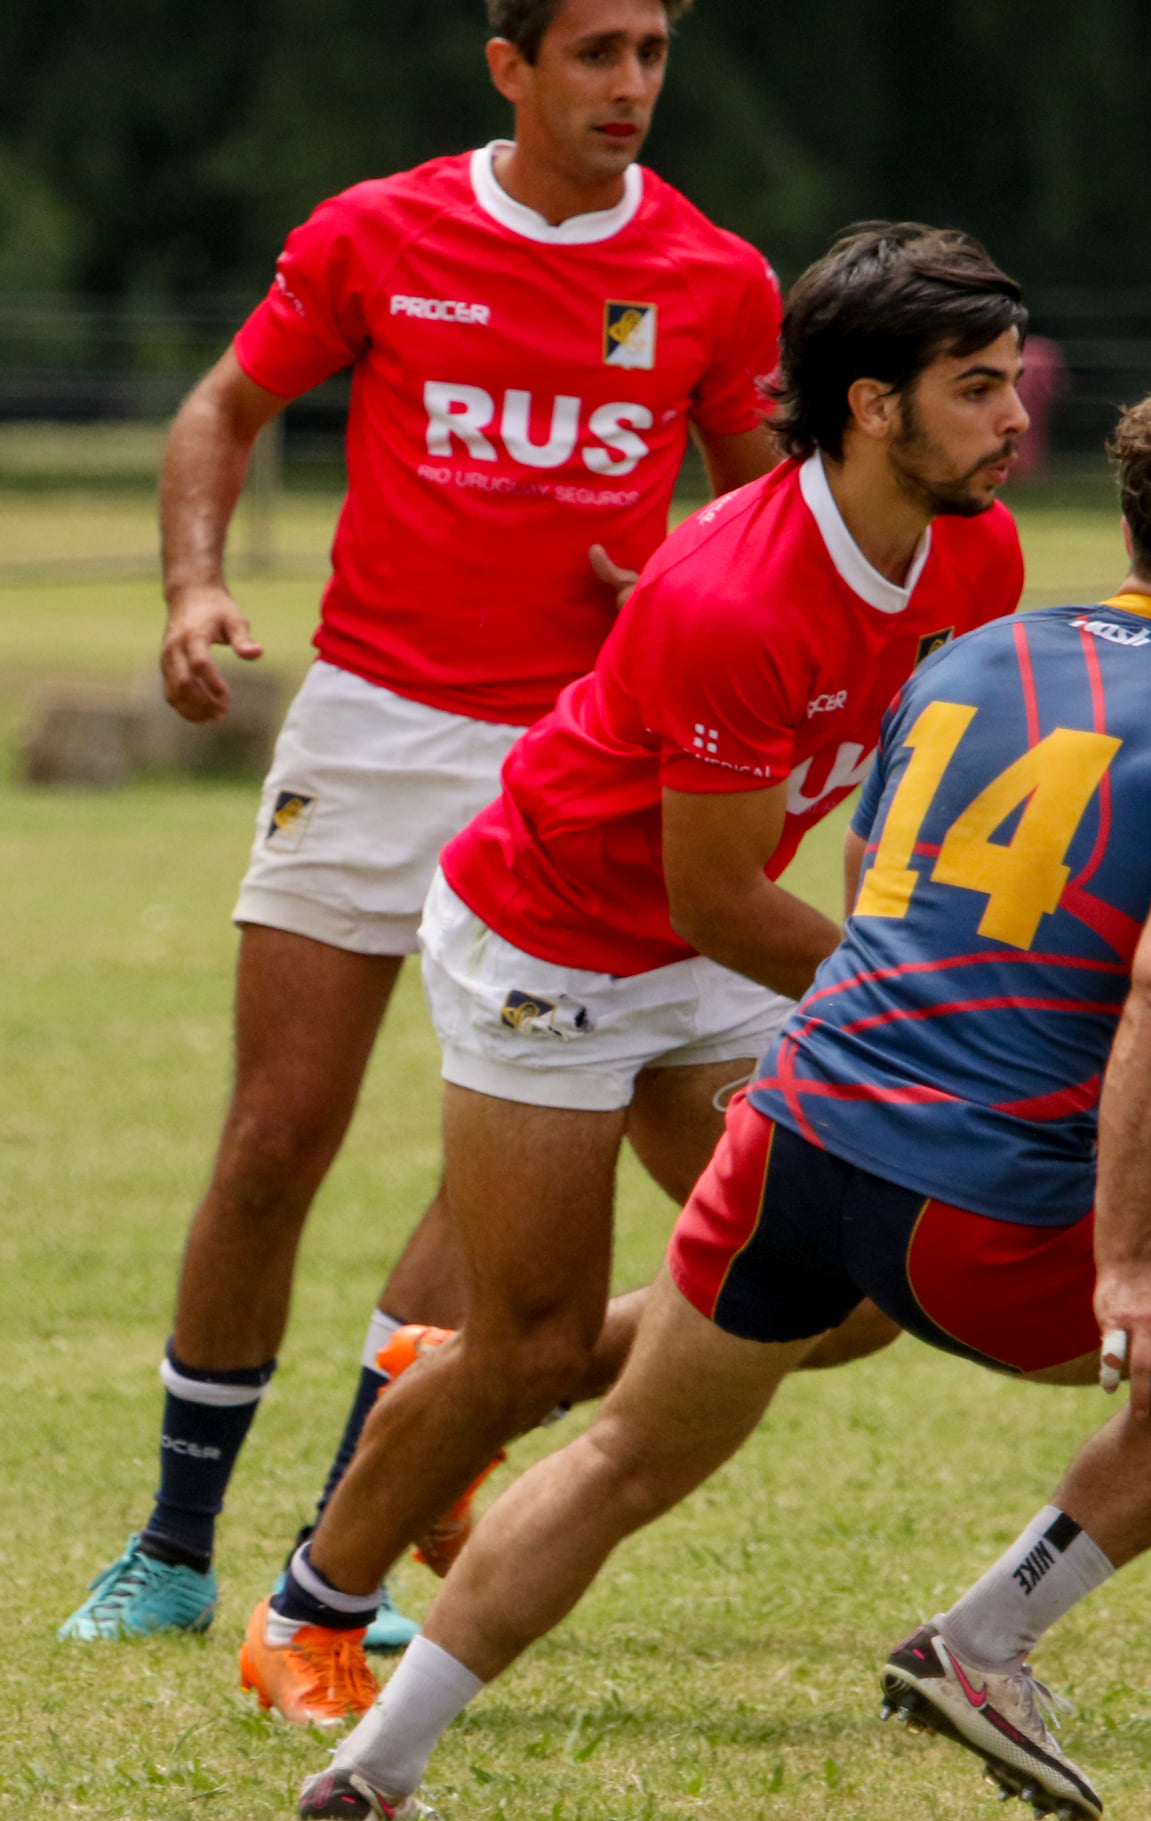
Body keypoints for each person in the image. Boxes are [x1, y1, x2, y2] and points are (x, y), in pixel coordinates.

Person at [289, 377, 1151, 1821]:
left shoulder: (968, 661)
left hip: (792, 1132)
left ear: (1131, 522)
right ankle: (983, 1644)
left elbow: (889, 901)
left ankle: (374, 1763)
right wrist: (1136, 1257)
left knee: (620, 1456)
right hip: (977, 1203)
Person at [60, 0, 787, 1649]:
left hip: (582, 767)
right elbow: (219, 414)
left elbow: (765, 516)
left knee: (504, 1164)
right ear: (509, 68)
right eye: (595, 53)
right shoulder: (378, 231)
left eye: (653, 54)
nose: (630, 87)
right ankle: (172, 1545)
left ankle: (343, 1540)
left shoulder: (714, 278)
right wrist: (192, 589)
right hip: (374, 733)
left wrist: (675, 585)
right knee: (272, 1142)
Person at [238, 219, 1031, 1729]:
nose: (1017, 417)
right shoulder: (734, 593)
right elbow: (717, 894)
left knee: (856, 1282)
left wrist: (954, 965)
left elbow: (895, 805)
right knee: (532, 1339)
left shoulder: (976, 552)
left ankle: (447, 1390)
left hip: (716, 949)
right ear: (872, 406)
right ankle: (306, 1613)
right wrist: (942, 1002)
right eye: (979, 387)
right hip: (556, 946)